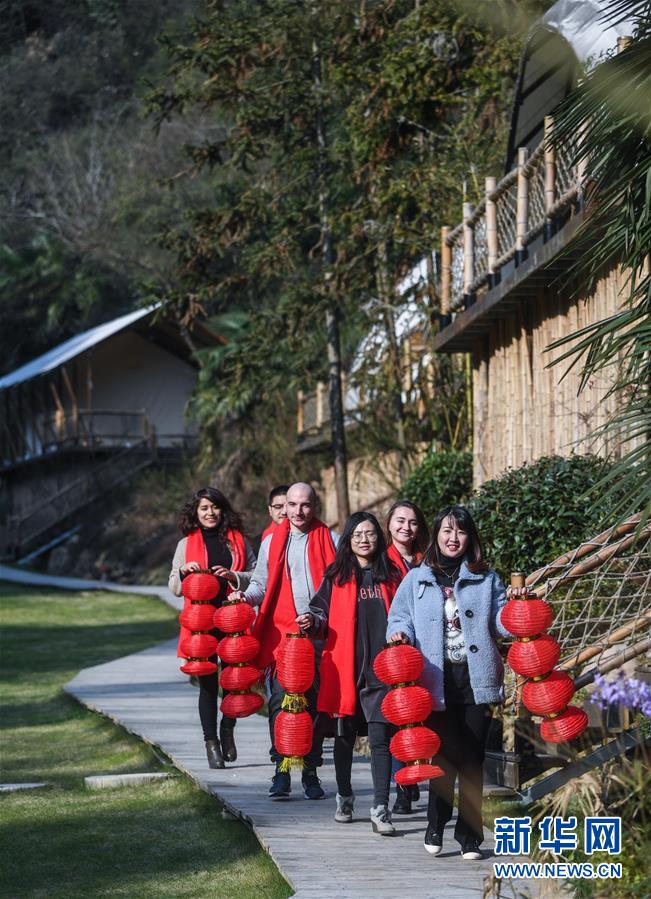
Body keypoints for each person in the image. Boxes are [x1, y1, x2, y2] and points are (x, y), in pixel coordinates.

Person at [386, 505, 509, 860]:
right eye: (446, 531)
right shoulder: (416, 579)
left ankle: (470, 835)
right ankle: (435, 823)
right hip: (433, 681)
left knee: (472, 759)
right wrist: (398, 634)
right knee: (440, 757)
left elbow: (500, 622)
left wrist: (516, 610)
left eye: (460, 532)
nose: (453, 538)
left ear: (470, 538)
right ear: (436, 535)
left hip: (477, 679)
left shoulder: (486, 579)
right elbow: (400, 617)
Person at [233, 482, 338, 800]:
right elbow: (261, 585)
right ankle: (280, 771)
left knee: (314, 709)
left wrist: (319, 619)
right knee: (281, 704)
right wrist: (243, 596)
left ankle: (311, 772)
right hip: (283, 637)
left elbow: (339, 588)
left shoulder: (330, 540)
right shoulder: (270, 542)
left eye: (305, 505)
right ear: (284, 507)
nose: (297, 511)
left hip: (320, 635)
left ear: (315, 506)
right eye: (291, 505)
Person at [298, 512, 401, 836]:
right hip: (345, 670)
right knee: (343, 738)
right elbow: (319, 611)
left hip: (382, 671)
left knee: (380, 738)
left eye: (370, 533)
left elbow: (405, 615)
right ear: (348, 539)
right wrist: (311, 622)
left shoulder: (391, 575)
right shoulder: (337, 575)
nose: (364, 539)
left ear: (378, 538)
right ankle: (344, 796)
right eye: (357, 534)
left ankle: (381, 807)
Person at [169, 487, 256, 769]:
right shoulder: (185, 545)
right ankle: (211, 743)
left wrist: (235, 576)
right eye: (204, 508)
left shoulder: (239, 542)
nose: (210, 513)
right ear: (196, 512)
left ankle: (227, 728)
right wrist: (183, 573)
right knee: (208, 686)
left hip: (233, 623)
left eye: (214, 507)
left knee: (235, 682)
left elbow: (258, 576)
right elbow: (173, 587)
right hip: (201, 628)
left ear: (223, 510)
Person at [384, 499, 429, 815]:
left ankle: (415, 775)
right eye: (400, 521)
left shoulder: (427, 561)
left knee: (421, 716)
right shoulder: (379, 561)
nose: (406, 527)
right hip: (393, 648)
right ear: (389, 524)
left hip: (426, 648)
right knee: (400, 716)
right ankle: (403, 786)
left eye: (412, 522)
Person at [251, 485, 289, 557]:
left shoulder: (307, 538)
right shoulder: (258, 543)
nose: (284, 512)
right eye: (278, 507)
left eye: (289, 506)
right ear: (270, 510)